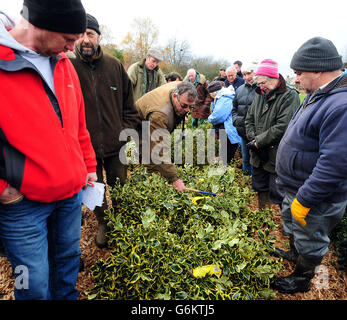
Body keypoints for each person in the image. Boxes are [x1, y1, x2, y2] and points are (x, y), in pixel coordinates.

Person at [0, 1, 97, 300]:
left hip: (69, 196)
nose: (71, 48)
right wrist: (3, 187)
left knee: (67, 265)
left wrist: (88, 166)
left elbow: (78, 123)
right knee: (33, 283)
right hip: (24, 204)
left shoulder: (64, 66)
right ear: (42, 25)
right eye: (68, 39)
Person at [272, 37, 347, 294]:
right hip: (297, 187)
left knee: (311, 239)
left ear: (318, 69)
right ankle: (296, 255)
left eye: (299, 73)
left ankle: (302, 279)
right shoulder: (319, 94)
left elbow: (335, 164)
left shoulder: (341, 104)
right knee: (296, 232)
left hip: (315, 198)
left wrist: (304, 199)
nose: (295, 79)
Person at [69, 14, 141, 248]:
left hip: (115, 145)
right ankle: (104, 222)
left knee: (119, 185)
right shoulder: (68, 67)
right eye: (80, 35)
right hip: (84, 149)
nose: (85, 40)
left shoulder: (114, 66)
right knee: (94, 190)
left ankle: (121, 221)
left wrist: (124, 133)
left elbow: (131, 107)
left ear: (99, 37)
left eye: (90, 34)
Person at [245, 59, 300, 209]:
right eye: (259, 83)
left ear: (274, 79)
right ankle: (264, 217)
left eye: (263, 83)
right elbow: (249, 118)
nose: (260, 87)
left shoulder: (289, 95)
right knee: (259, 185)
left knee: (279, 192)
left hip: (276, 153)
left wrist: (259, 141)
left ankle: (283, 226)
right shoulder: (260, 92)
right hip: (258, 151)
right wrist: (253, 138)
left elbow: (283, 126)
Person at [136, 81, 197, 192]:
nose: (187, 110)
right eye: (184, 106)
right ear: (175, 96)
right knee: (150, 155)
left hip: (153, 112)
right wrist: (174, 178)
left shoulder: (182, 87)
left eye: (191, 107)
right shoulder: (159, 115)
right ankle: (150, 185)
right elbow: (160, 151)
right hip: (138, 121)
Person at [232, 61, 258, 175]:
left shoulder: (261, 89)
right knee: (246, 159)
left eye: (249, 74)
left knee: (256, 161)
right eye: (244, 74)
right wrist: (236, 121)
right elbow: (234, 108)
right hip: (243, 131)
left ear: (255, 73)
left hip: (256, 133)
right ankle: (246, 184)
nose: (246, 77)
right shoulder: (240, 90)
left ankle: (255, 185)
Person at [207, 81, 241, 163]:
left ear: (214, 93)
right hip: (228, 128)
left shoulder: (224, 98)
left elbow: (218, 116)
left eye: (210, 94)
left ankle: (226, 170)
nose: (210, 96)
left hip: (229, 129)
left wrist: (210, 118)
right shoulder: (224, 96)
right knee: (226, 150)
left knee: (227, 153)